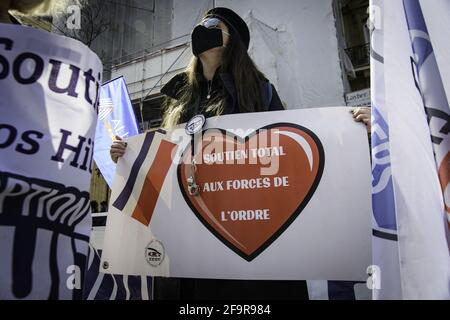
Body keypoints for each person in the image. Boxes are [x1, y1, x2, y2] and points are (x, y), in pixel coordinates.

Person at [110, 7, 371, 300]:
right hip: (195, 244)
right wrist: (129, 157)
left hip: (252, 239)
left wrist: (352, 133)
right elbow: (165, 167)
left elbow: (291, 153)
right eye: (202, 23)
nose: (203, 28)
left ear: (231, 40)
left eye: (213, 25)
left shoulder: (260, 92)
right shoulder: (180, 102)